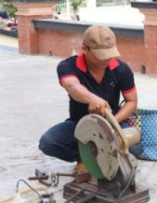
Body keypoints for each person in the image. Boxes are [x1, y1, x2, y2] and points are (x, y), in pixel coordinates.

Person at [39, 25, 141, 168]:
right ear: (85, 49)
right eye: (101, 55)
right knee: (48, 142)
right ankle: (87, 159)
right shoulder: (68, 66)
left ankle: (103, 158)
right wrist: (92, 99)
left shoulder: (121, 69)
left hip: (114, 123)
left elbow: (131, 101)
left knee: (135, 148)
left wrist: (112, 123)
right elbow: (71, 86)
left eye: (109, 53)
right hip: (80, 124)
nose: (106, 59)